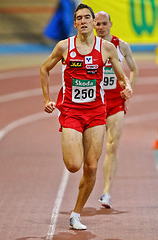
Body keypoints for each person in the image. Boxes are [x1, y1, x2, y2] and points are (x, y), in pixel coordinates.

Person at [40, 4, 132, 230]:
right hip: (71, 111)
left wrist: (126, 86)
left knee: (91, 168)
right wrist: (46, 100)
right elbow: (44, 69)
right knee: (73, 165)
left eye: (87, 17)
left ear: (93, 22)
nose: (83, 21)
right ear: (74, 24)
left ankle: (76, 213)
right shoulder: (64, 46)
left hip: (96, 113)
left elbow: (121, 77)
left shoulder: (107, 48)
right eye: (78, 18)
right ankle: (75, 142)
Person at [94, 11, 138, 208]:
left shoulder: (121, 46)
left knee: (112, 146)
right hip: (94, 103)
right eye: (98, 24)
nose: (101, 27)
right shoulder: (89, 47)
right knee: (92, 151)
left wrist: (129, 90)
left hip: (115, 102)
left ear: (111, 24)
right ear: (94, 26)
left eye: (104, 23)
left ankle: (106, 192)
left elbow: (134, 69)